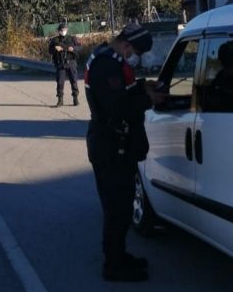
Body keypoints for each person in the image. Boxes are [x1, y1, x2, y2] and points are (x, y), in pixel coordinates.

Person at [84, 23, 164, 282]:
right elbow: (117, 108)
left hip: (114, 144)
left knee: (122, 205)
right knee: (116, 208)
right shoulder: (106, 65)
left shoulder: (108, 58)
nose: (134, 58)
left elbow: (122, 92)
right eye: (135, 53)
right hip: (110, 146)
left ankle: (118, 255)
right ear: (127, 45)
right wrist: (149, 100)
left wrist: (142, 87)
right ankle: (113, 265)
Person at [48, 23, 80, 107]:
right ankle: (60, 100)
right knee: (60, 82)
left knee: (74, 81)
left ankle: (75, 98)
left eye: (65, 30)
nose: (63, 31)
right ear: (59, 31)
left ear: (67, 30)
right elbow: (50, 51)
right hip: (60, 63)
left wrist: (73, 49)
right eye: (61, 30)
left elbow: (79, 48)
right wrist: (55, 48)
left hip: (71, 63)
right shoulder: (55, 40)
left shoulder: (72, 39)